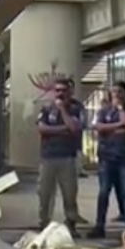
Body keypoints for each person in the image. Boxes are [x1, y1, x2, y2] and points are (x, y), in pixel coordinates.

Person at [34, 78, 84, 235]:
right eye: (57, 90)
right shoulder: (46, 108)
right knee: (45, 193)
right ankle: (44, 224)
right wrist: (63, 130)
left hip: (67, 157)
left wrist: (62, 110)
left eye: (63, 90)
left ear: (69, 92)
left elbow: (74, 128)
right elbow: (42, 129)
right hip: (48, 156)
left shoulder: (76, 108)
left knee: (69, 193)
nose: (60, 93)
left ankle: (70, 223)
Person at [90, 82, 125, 237]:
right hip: (106, 156)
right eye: (114, 91)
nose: (116, 94)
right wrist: (119, 126)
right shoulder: (104, 110)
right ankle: (99, 226)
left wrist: (120, 110)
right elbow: (98, 127)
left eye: (119, 91)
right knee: (104, 192)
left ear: (124, 93)